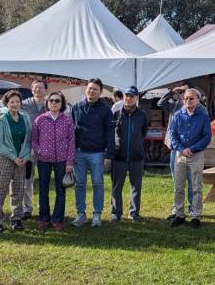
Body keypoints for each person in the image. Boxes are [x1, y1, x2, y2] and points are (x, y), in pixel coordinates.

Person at [71, 78, 115, 227]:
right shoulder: (76, 107)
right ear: (86, 89)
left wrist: (109, 155)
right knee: (80, 184)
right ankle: (80, 214)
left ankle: (97, 215)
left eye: (95, 89)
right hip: (79, 154)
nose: (92, 91)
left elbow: (110, 133)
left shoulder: (105, 110)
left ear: (100, 92)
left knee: (98, 184)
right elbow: (71, 132)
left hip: (97, 154)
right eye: (90, 88)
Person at [31, 91, 75, 231]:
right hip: (43, 160)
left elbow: (72, 142)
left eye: (57, 101)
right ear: (47, 103)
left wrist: (69, 162)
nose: (54, 103)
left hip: (61, 160)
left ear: (62, 104)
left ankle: (57, 219)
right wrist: (39, 151)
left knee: (60, 190)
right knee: (43, 190)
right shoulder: (40, 119)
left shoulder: (67, 120)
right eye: (51, 100)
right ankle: (44, 219)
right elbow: (34, 140)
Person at [169, 88, 212, 228]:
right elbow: (173, 134)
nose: (188, 101)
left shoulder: (203, 116)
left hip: (196, 155)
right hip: (180, 155)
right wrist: (181, 149)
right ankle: (180, 214)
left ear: (198, 100)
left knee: (196, 186)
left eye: (191, 98)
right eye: (186, 98)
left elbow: (207, 137)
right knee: (178, 186)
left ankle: (196, 216)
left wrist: (192, 149)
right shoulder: (177, 115)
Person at [0, 90, 32, 233]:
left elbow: (28, 141)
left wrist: (25, 157)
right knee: (0, 191)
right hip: (4, 160)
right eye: (12, 102)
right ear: (7, 104)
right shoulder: (1, 120)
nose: (15, 104)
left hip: (21, 160)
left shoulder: (26, 118)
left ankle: (16, 219)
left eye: (17, 102)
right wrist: (13, 157)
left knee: (18, 191)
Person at [110, 86, 148, 221]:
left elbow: (143, 132)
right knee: (116, 186)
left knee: (136, 186)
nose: (129, 98)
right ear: (124, 97)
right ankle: (116, 212)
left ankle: (134, 213)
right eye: (127, 96)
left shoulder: (142, 115)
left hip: (136, 156)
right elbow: (111, 133)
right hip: (119, 155)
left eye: (132, 96)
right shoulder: (116, 114)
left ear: (137, 98)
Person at [158, 83, 194, 218]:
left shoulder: (194, 107)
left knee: (191, 181)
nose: (182, 93)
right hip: (175, 149)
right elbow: (160, 103)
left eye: (185, 91)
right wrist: (172, 92)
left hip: (190, 150)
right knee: (177, 182)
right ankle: (176, 208)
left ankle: (192, 208)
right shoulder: (174, 105)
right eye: (181, 91)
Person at [21, 79, 48, 219]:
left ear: (45, 90)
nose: (38, 90)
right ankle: (27, 208)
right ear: (32, 90)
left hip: (46, 148)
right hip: (28, 148)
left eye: (41, 87)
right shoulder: (24, 104)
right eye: (35, 87)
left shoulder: (50, 104)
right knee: (27, 179)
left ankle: (43, 208)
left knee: (44, 179)